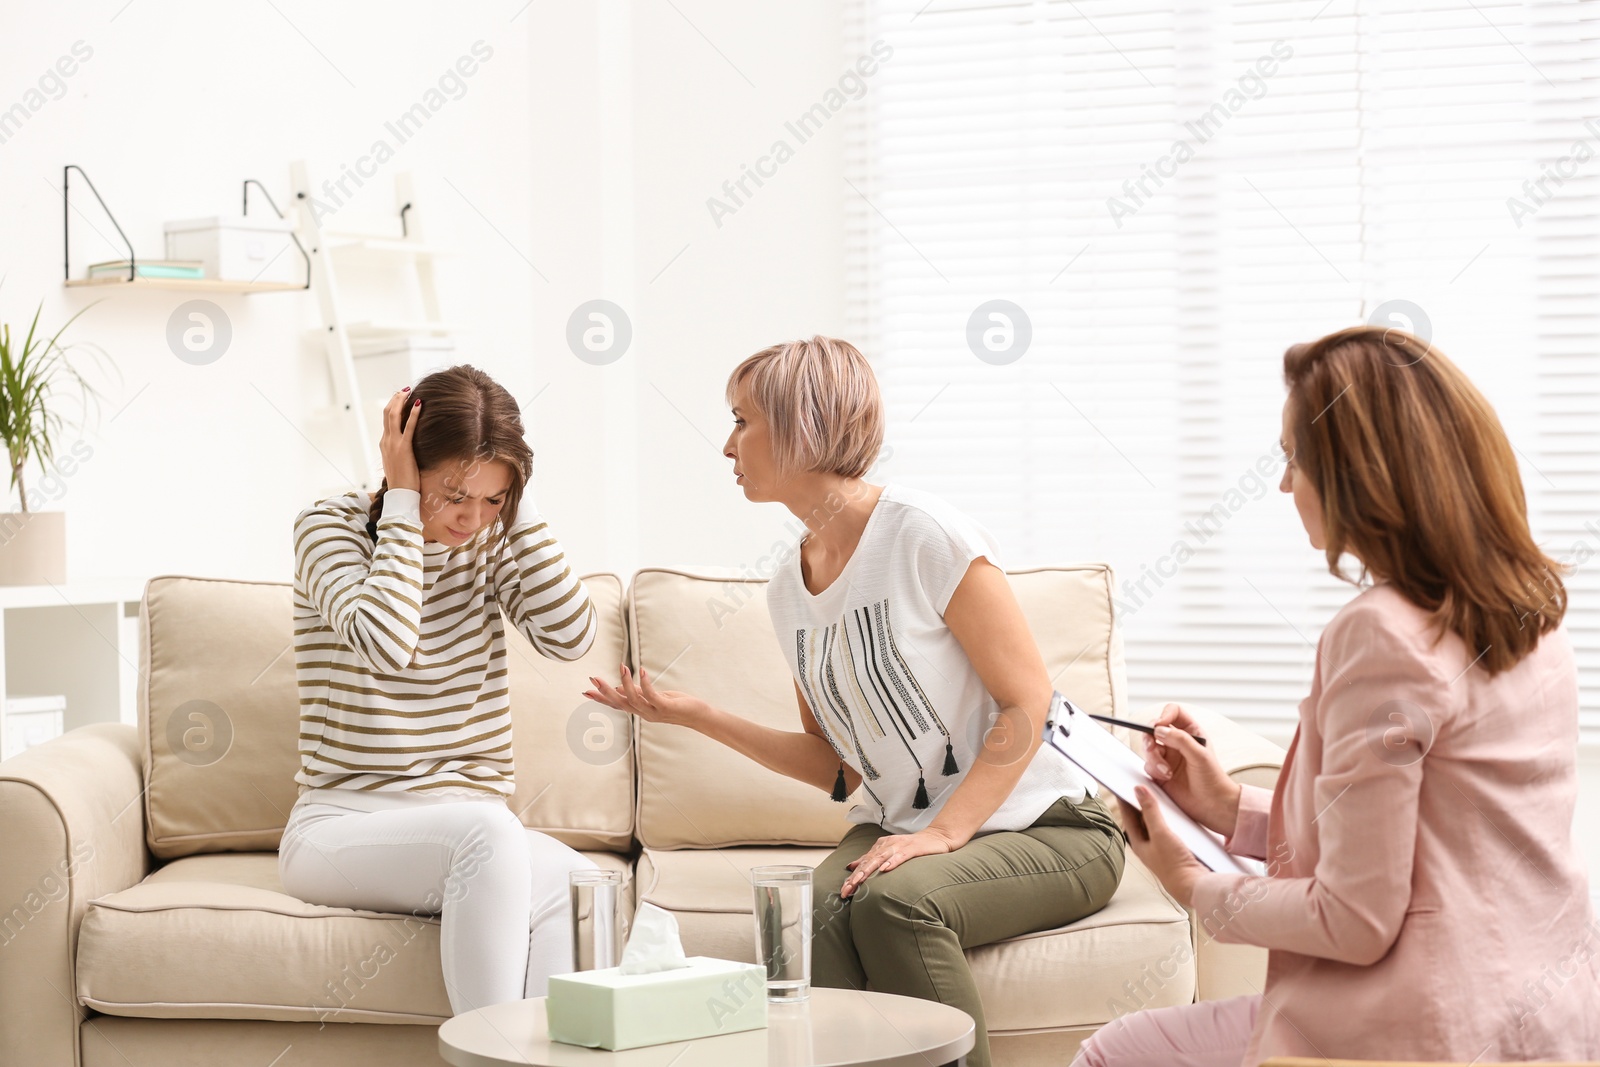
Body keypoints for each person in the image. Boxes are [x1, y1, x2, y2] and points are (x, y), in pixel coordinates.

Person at [585, 336, 1126, 1067]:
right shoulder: (789, 587)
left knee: (896, 902)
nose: (726, 445)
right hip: (902, 823)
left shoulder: (923, 534)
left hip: (1050, 825)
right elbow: (839, 769)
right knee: (803, 924)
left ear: (801, 424)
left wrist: (942, 833)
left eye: (742, 420)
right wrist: (695, 715)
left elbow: (1028, 701)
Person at [1074, 325, 1600, 1066]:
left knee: (1114, 1053)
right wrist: (1227, 807)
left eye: (1294, 460)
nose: (1285, 485)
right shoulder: (1534, 617)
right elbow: (1426, 840)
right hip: (1549, 1021)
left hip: (1427, 1030)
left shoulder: (1382, 634)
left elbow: (1355, 917)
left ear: (1362, 476)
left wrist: (1190, 882)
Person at [278, 366, 601, 1016]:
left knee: (583, 883)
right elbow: (387, 640)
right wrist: (401, 501)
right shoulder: (328, 528)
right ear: (406, 457)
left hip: (475, 831)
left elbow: (572, 635)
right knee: (489, 830)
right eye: (454, 492)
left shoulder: (487, 537)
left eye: (491, 498)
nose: (470, 516)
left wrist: (517, 500)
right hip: (341, 825)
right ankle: (495, 1059)